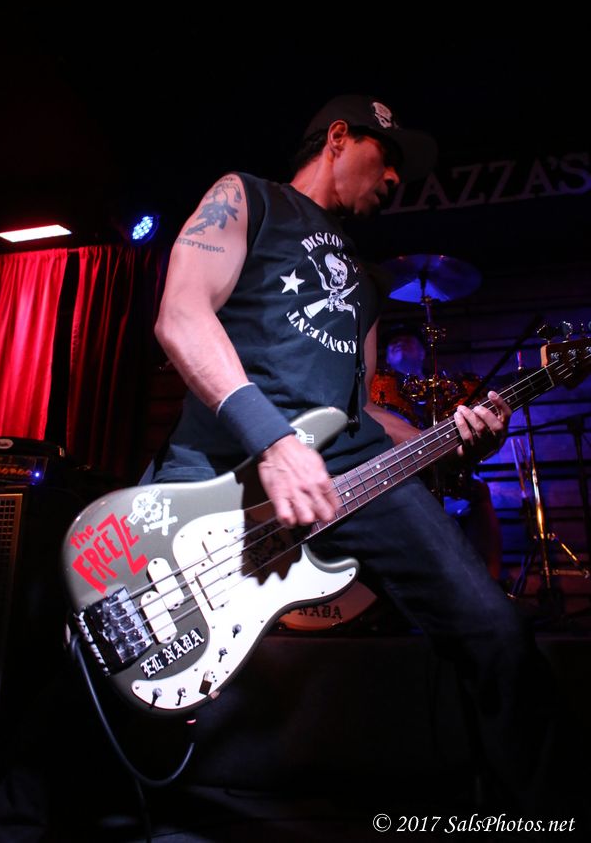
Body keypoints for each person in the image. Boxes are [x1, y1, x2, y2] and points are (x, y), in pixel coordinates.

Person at [150, 95, 564, 816]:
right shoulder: (248, 198)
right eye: (389, 156)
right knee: (128, 641)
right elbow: (181, 314)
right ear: (339, 137)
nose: (396, 178)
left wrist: (455, 437)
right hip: (228, 457)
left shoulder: (366, 281)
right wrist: (273, 439)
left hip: (353, 474)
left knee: (496, 633)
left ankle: (525, 817)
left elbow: (362, 408)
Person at [370, 328, 504, 579]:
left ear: (423, 352)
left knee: (479, 489)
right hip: (394, 472)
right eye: (393, 342)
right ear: (385, 358)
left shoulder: (443, 390)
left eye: (407, 339)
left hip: (445, 470)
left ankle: (492, 579)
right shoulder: (376, 388)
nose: (399, 343)